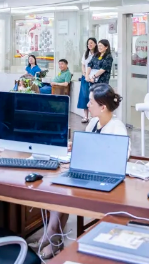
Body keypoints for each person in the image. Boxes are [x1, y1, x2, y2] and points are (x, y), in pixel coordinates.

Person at [33, 84, 129, 259]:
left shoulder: (117, 128)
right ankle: (54, 235)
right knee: (58, 186)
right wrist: (75, 146)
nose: (87, 105)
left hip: (103, 181)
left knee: (64, 190)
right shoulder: (93, 123)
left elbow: (121, 157)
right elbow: (87, 146)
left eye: (90, 102)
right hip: (86, 173)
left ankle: (53, 235)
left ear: (102, 107)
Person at [78, 37, 97, 123]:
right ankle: (85, 116)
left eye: (91, 43)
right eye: (88, 43)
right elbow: (83, 65)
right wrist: (85, 73)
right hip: (85, 77)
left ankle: (93, 116)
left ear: (95, 44)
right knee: (85, 96)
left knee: (93, 97)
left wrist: (91, 76)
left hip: (94, 78)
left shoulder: (97, 54)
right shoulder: (86, 54)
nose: (90, 45)